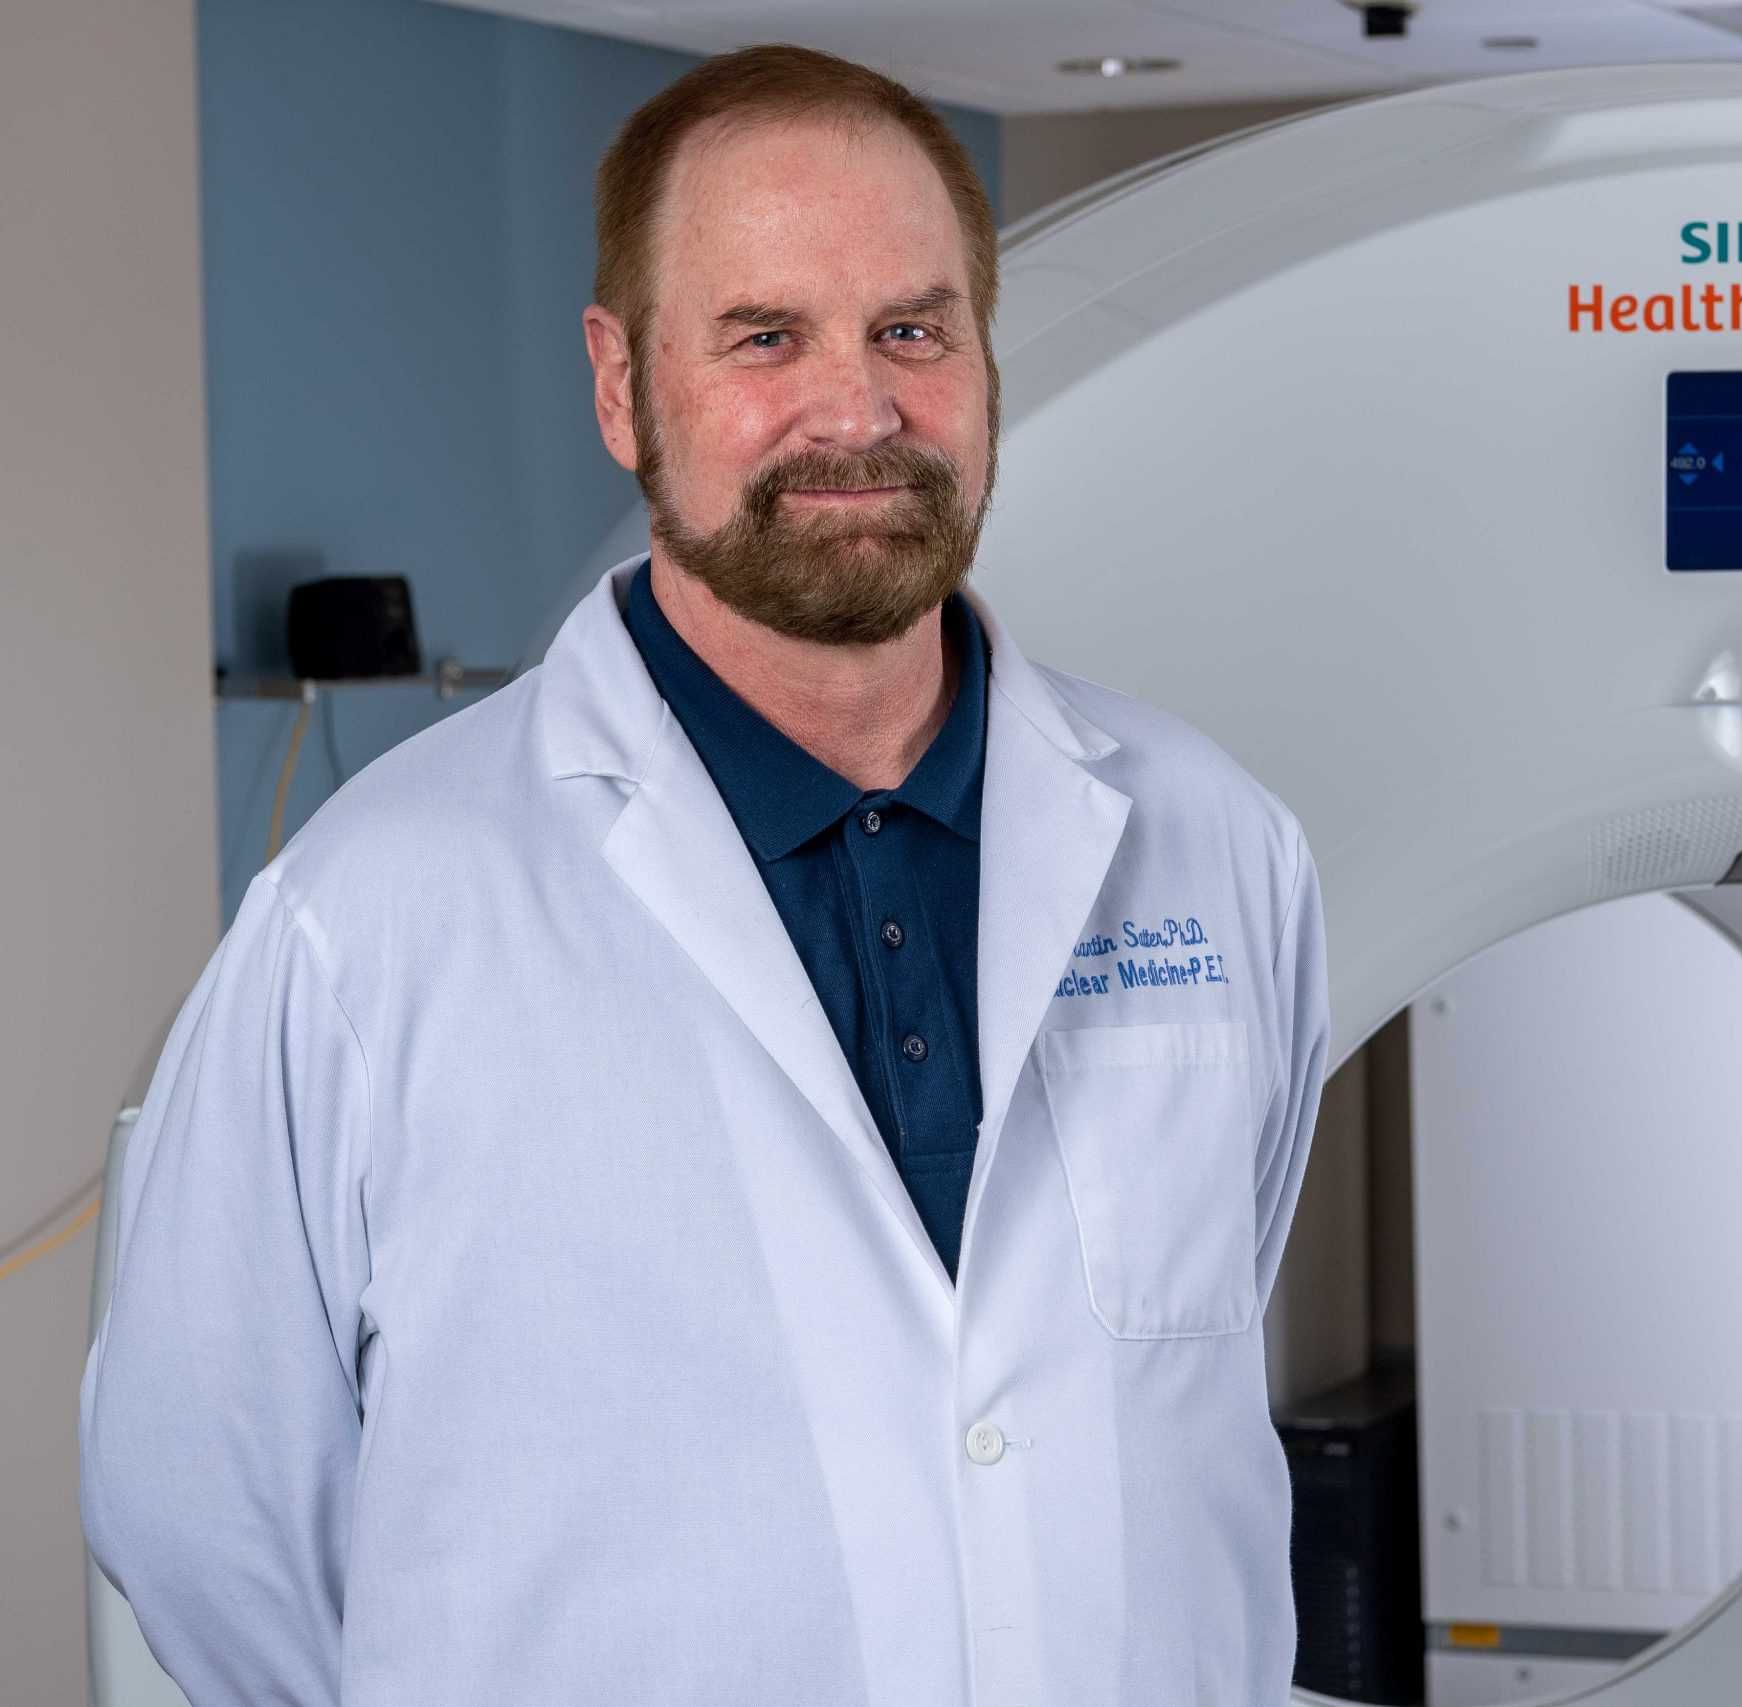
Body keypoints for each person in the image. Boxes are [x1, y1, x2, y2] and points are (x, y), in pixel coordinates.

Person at [80, 43, 1328, 1707]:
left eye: (913, 331)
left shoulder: (1211, 841)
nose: (858, 412)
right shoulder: (371, 916)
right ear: (622, 387)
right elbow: (199, 1505)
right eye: (765, 337)